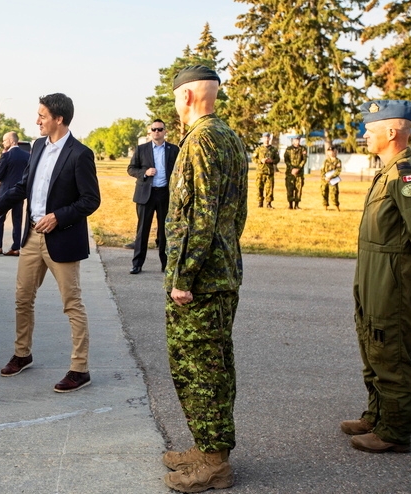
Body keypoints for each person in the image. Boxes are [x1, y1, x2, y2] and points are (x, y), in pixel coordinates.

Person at [342, 99, 411, 454]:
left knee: (390, 348)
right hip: (375, 274)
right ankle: (377, 415)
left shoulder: (406, 173)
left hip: (394, 277)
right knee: (372, 341)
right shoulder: (388, 171)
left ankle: (395, 430)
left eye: (370, 130)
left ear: (391, 132)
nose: (364, 136)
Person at [161, 65, 247, 493]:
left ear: (189, 97)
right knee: (212, 365)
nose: (176, 105)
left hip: (200, 282)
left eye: (177, 97)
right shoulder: (229, 136)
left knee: (201, 369)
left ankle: (214, 463)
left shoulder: (199, 141)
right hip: (221, 273)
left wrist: (184, 276)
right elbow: (237, 215)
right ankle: (206, 446)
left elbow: (200, 218)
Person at [0, 93, 100, 393]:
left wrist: (59, 217)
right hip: (31, 238)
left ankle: (80, 369)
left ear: (59, 119)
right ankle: (22, 354)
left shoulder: (80, 154)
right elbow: (23, 186)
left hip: (62, 239)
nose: (37, 120)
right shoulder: (37, 146)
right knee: (22, 299)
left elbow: (91, 200)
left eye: (42, 115)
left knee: (72, 304)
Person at [126, 119, 179, 274]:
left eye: (160, 129)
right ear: (150, 132)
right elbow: (131, 169)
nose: (157, 132)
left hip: (164, 194)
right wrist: (145, 173)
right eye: (154, 129)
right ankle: (137, 264)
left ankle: (166, 264)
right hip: (146, 195)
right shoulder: (141, 149)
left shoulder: (173, 150)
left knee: (164, 231)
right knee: (142, 230)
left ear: (165, 131)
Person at [0, 131, 30, 256]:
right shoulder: (27, 156)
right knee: (17, 220)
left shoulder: (6, 156)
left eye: (4, 140)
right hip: (19, 193)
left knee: (0, 219)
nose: (3, 143)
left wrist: (2, 160)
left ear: (12, 141)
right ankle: (16, 248)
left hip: (5, 194)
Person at [252, 132, 279, 208]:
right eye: (265, 138)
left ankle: (268, 203)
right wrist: (261, 160)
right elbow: (254, 158)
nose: (266, 139)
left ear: (269, 139)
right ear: (262, 139)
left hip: (269, 172)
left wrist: (272, 161)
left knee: (269, 188)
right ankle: (260, 203)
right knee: (259, 188)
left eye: (268, 138)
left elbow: (277, 159)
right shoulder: (259, 149)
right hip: (260, 172)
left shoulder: (273, 149)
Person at [284, 135, 308, 209]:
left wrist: (298, 168)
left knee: (298, 188)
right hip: (290, 172)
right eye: (295, 140)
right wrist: (292, 168)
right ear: (293, 140)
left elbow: (304, 160)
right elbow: (286, 160)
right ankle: (290, 204)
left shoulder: (303, 149)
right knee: (289, 188)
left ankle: (297, 205)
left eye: (298, 140)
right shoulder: (288, 149)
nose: (297, 141)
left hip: (299, 173)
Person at [320, 147, 342, 211]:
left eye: (332, 151)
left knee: (334, 193)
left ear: (335, 152)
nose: (330, 152)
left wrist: (331, 177)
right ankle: (325, 206)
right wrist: (325, 177)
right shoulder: (326, 161)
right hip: (325, 180)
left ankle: (336, 206)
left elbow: (338, 170)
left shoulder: (338, 161)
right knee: (324, 192)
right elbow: (322, 170)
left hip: (333, 180)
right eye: (329, 151)